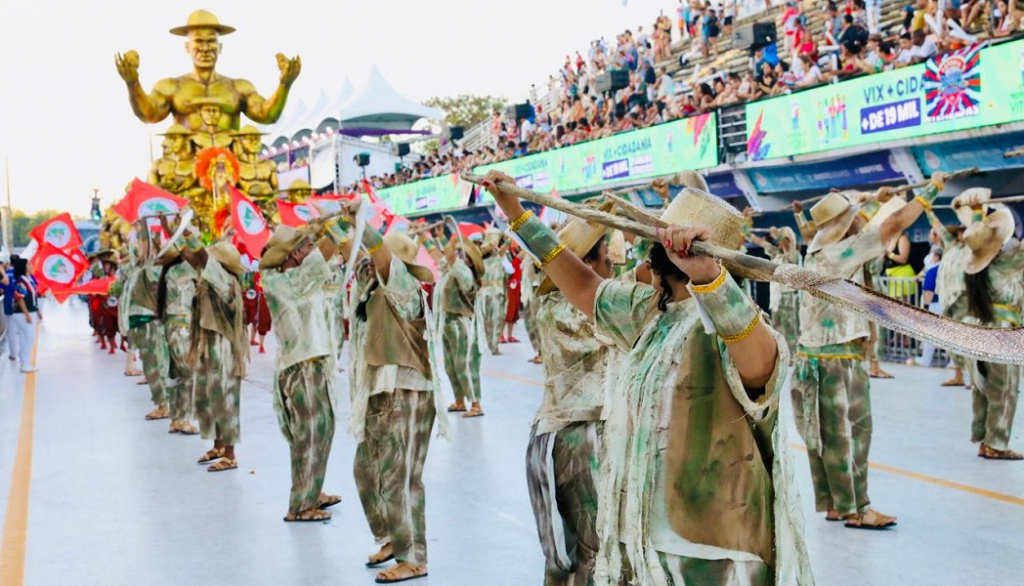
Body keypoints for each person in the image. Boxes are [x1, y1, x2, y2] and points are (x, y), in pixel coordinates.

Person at [483, 170, 813, 586]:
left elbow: (761, 365)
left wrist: (709, 278)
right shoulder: (648, 311)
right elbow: (583, 285)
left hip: (711, 555)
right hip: (643, 546)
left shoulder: (730, 323)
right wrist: (515, 214)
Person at [791, 176, 946, 529]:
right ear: (846, 227)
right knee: (853, 433)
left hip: (816, 358)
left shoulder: (820, 252)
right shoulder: (843, 252)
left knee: (828, 437)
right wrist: (930, 192)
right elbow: (892, 225)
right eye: (854, 217)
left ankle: (835, 504)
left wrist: (875, 198)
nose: (861, 219)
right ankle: (858, 508)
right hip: (838, 360)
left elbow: (861, 216)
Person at [350, 227, 450, 584]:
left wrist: (367, 227)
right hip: (383, 392)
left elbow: (381, 257)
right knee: (364, 470)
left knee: (401, 480)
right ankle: (393, 537)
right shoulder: (374, 290)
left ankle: (414, 558)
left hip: (407, 393)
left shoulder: (405, 286)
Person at [527, 213, 616, 586]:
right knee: (596, 551)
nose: (613, 263)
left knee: (566, 553)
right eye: (606, 255)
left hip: (551, 435)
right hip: (587, 436)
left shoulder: (546, 303)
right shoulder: (597, 309)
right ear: (587, 265)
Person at [260, 225, 344, 521]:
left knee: (322, 430)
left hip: (314, 364)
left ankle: (313, 490)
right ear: (294, 254)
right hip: (300, 368)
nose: (312, 251)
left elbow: (327, 263)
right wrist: (340, 227)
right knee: (308, 435)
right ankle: (299, 506)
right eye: (307, 246)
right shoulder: (278, 281)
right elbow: (325, 255)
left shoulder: (301, 279)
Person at [937, 192, 1024, 459]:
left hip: (978, 331)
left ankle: (984, 439)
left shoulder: (970, 265)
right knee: (1004, 389)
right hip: (1002, 335)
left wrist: (976, 212)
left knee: (983, 389)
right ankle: (995, 444)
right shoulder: (1009, 262)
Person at [115, 10, 300, 131]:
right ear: (187, 47)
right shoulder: (171, 86)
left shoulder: (238, 87)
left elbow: (267, 115)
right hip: (184, 168)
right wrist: (133, 83)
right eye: (198, 41)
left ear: (220, 47)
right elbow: (150, 114)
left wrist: (285, 84)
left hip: (230, 166)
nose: (205, 48)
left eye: (211, 41)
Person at [181, 233, 248, 473]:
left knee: (225, 399)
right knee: (208, 398)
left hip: (223, 346)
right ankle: (218, 446)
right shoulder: (210, 277)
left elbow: (198, 255)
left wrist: (187, 232)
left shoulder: (222, 278)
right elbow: (192, 258)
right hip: (209, 345)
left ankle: (230, 455)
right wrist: (174, 234)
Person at [908, 247, 943, 367]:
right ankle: (953, 363)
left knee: (931, 335)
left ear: (936, 257)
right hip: (947, 304)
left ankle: (925, 360)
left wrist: (926, 308)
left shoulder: (932, 271)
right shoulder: (946, 268)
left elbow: (929, 292)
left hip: (935, 304)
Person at [478, 230, 510, 355]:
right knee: (491, 321)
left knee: (495, 320)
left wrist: (505, 235)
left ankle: (493, 345)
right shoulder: (481, 258)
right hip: (489, 293)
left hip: (493, 293)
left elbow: (507, 243)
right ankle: (490, 345)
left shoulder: (497, 256)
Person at [6, 258, 39, 373]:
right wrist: (26, 314)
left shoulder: (28, 280)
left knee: (27, 337)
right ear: (24, 267)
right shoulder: (21, 281)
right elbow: (19, 298)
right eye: (28, 264)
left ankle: (24, 359)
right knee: (29, 337)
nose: (31, 265)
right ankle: (24, 362)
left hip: (30, 311)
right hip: (22, 313)